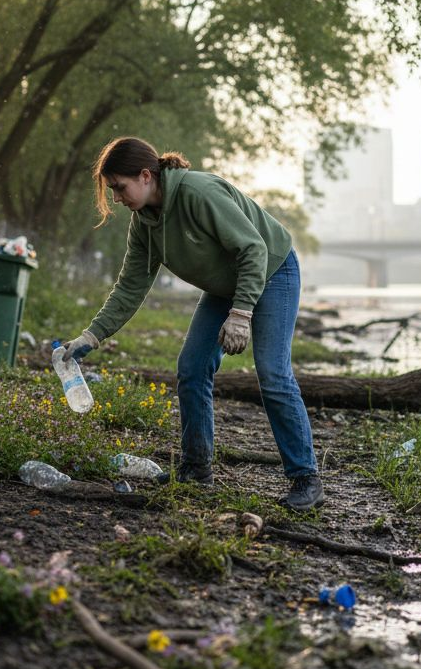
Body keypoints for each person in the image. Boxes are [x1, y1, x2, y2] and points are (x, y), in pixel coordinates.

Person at [63, 137, 325, 511]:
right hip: (226, 284)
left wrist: (241, 313)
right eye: (112, 190)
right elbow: (130, 286)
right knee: (191, 367)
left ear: (145, 175)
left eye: (120, 187)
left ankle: (306, 479)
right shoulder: (144, 225)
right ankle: (196, 469)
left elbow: (254, 249)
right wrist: (92, 335)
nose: (117, 198)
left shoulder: (199, 193)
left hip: (272, 270)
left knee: (272, 373)